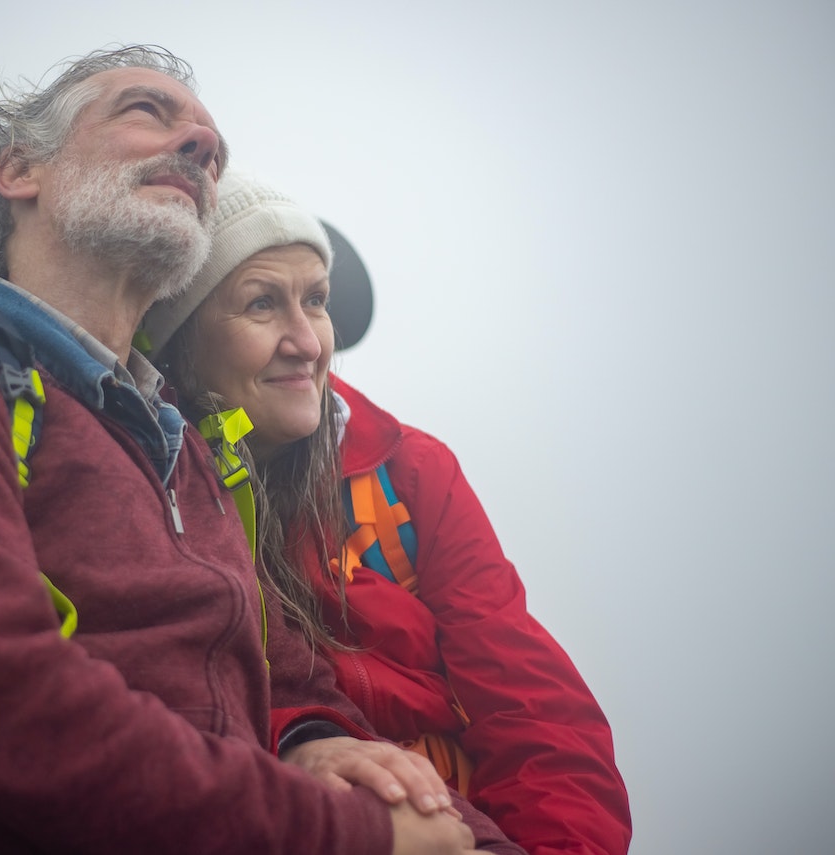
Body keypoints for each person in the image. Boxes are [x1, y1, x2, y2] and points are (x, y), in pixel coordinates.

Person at [0, 46, 523, 854]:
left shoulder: (192, 458)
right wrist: (356, 834)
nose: (201, 146)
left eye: (213, 148)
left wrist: (314, 740)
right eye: (147, 111)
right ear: (20, 170)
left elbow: (296, 686)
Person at [144, 168, 634, 855]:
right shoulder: (143, 487)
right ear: (183, 339)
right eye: (262, 304)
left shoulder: (410, 470)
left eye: (316, 301)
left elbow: (533, 705)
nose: (308, 341)